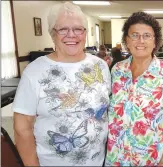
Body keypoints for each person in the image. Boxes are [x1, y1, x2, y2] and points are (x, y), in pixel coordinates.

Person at [13, 2, 111, 166]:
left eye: (78, 29)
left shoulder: (100, 66)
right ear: (53, 34)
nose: (71, 35)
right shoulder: (35, 71)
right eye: (63, 29)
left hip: (98, 162)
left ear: (85, 33)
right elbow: (22, 128)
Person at [105, 12, 163, 166]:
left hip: (152, 160)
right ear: (126, 41)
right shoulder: (117, 70)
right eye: (134, 35)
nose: (141, 41)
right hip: (116, 158)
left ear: (155, 41)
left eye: (147, 36)